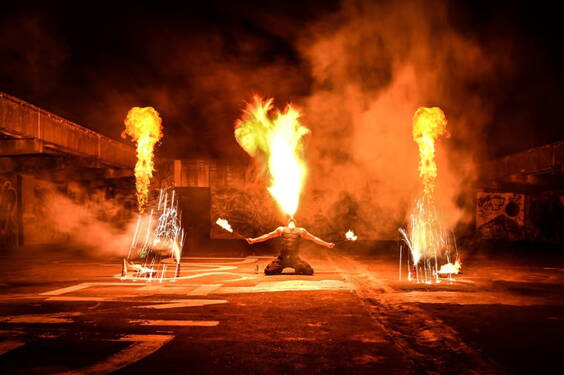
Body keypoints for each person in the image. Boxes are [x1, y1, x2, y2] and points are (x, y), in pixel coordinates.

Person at [246, 218, 334, 275]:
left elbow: (314, 238)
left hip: (295, 259)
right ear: (288, 222)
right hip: (282, 259)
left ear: (295, 222)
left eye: (293, 220)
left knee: (309, 271)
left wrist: (327, 244)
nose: (291, 220)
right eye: (290, 220)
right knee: (268, 271)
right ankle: (280, 267)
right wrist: (254, 240)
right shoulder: (281, 229)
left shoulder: (301, 231)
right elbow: (267, 236)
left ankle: (297, 267)